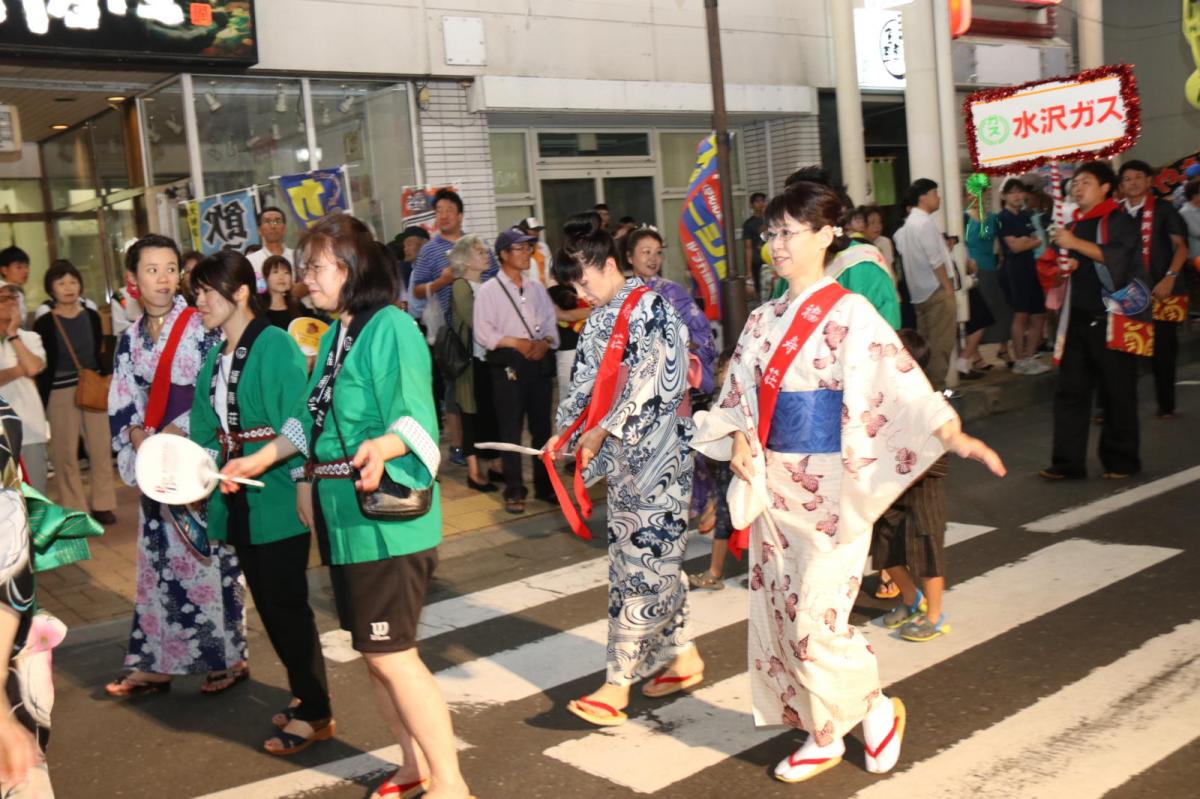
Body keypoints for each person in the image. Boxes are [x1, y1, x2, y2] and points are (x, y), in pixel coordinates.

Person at [691, 180, 1004, 784]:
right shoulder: (761, 319)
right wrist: (734, 440)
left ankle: (876, 708)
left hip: (831, 491)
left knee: (816, 621)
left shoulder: (850, 312)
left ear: (828, 234)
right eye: (771, 233)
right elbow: (735, 399)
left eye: (788, 232)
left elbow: (901, 384)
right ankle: (824, 731)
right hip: (773, 489)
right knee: (782, 616)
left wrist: (951, 432)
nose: (775, 244)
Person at [220, 213, 473, 799]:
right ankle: (414, 765)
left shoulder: (391, 327)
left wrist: (383, 446)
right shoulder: (338, 333)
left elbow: (415, 415)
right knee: (375, 654)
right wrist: (259, 461)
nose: (306, 278)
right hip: (345, 518)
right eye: (306, 267)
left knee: (394, 655)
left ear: (352, 267)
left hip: (385, 521)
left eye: (315, 265)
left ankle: (452, 785)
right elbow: (307, 423)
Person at [545, 215, 705, 728]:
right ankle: (682, 656)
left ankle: (617, 685)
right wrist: (565, 433)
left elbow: (658, 382)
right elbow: (584, 388)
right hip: (626, 459)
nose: (579, 291)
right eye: (571, 284)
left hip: (661, 454)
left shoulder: (654, 307)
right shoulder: (596, 321)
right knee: (644, 560)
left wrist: (605, 431)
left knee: (641, 565)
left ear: (608, 264)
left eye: (583, 279)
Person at [188, 250, 334, 755]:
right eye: (197, 292)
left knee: (288, 604)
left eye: (207, 291)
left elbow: (298, 417)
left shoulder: (274, 344)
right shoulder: (214, 354)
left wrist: (302, 483)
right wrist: (198, 476)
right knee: (271, 605)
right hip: (236, 496)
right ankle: (305, 694)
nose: (199, 301)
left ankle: (316, 712)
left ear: (240, 292)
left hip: (275, 493)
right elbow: (205, 427)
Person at [105, 234, 248, 697]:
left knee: (207, 555)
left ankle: (229, 656)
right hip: (154, 461)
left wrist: (177, 432)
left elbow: (215, 386)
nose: (164, 278)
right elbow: (122, 398)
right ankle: (157, 662)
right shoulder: (127, 341)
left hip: (194, 456)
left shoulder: (200, 325)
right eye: (152, 270)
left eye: (171, 268)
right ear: (133, 280)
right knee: (158, 562)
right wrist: (137, 436)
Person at [1042, 161, 1142, 480]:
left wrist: (1073, 246)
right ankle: (1067, 462)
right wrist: (1060, 270)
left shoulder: (1118, 219)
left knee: (1117, 391)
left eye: (1086, 181)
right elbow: (1051, 270)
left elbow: (1119, 258)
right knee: (1070, 391)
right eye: (1076, 182)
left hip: (1113, 318)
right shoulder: (1071, 225)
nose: (1077, 187)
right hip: (1077, 318)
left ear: (1105, 188)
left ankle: (1121, 460)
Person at [409, 189, 498, 468]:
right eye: (439, 211)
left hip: (484, 327)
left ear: (460, 214)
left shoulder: (476, 244)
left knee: (483, 387)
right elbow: (418, 291)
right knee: (454, 390)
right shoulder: (429, 250)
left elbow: (496, 279)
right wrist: (443, 280)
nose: (443, 215)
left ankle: (484, 445)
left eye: (449, 210)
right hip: (450, 331)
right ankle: (459, 447)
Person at [874, 329, 952, 642]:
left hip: (923, 489)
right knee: (882, 545)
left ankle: (934, 615)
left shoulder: (930, 402)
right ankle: (910, 599)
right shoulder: (881, 399)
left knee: (927, 550)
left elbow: (938, 455)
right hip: (888, 487)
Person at [474, 228, 558, 514]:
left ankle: (546, 486)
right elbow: (483, 332)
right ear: (504, 255)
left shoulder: (536, 288)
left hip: (537, 361)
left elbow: (549, 323)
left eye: (528, 248)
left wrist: (545, 343)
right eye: (519, 249)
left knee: (543, 429)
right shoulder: (489, 291)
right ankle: (514, 490)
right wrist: (517, 343)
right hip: (508, 364)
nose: (526, 254)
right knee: (510, 429)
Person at [32, 260, 117, 524]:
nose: (68, 288)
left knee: (100, 448)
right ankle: (74, 508)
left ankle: (103, 504)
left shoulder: (91, 315)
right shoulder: (45, 322)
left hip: (92, 387)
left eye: (73, 282)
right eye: (61, 283)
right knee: (65, 453)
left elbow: (99, 351)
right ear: (51, 289)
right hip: (59, 392)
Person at [1118, 160, 1190, 419]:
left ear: (1150, 181)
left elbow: (1181, 247)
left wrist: (1170, 277)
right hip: (1129, 293)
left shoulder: (1164, 209)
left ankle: (1166, 405)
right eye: (1127, 178)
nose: (1133, 182)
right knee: (1124, 351)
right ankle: (1117, 407)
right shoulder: (1115, 214)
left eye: (1139, 177)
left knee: (1164, 350)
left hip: (1163, 290)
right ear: (1121, 185)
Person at [894, 179, 958, 389]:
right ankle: (937, 391)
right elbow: (935, 260)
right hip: (936, 291)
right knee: (941, 345)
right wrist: (948, 288)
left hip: (919, 295)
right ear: (923, 197)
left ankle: (925, 391)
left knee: (926, 346)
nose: (937, 197)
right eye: (934, 193)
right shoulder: (924, 223)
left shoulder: (908, 225)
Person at [448, 236, 500, 492]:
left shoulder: (487, 285)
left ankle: (494, 465)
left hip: (486, 359)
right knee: (470, 415)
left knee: (490, 413)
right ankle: (474, 472)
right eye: (480, 252)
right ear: (465, 260)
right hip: (470, 363)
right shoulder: (460, 285)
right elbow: (474, 321)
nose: (486, 254)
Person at [689, 347, 736, 590]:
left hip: (739, 465)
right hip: (725, 468)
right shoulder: (719, 398)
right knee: (724, 518)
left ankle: (715, 572)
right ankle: (715, 571)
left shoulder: (741, 399)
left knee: (726, 518)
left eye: (726, 369)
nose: (721, 374)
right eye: (719, 370)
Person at [996, 179, 1050, 375]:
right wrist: (1028, 242)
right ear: (1004, 196)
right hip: (1015, 270)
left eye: (1020, 192)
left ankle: (1029, 356)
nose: (1017, 196)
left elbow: (1039, 239)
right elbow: (1015, 246)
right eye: (1012, 193)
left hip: (1032, 267)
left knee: (1039, 314)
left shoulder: (1027, 215)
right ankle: (1019, 360)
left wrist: (1027, 241)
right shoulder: (1002, 218)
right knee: (1021, 314)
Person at [0, 284, 47, 492]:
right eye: (3, 299)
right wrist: (20, 370)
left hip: (30, 428)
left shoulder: (30, 338)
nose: (11, 303)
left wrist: (13, 334)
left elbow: (34, 367)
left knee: (35, 496)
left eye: (14, 298)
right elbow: (28, 368)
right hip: (2, 431)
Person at [964, 191, 1014, 369]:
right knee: (979, 312)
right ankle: (976, 356)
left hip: (992, 267)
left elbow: (1000, 242)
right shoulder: (963, 218)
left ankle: (1003, 348)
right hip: (974, 270)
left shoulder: (993, 218)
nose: (975, 198)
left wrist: (1001, 258)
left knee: (1001, 309)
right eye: (971, 195)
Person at [246, 206, 297, 284]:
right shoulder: (250, 261)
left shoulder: (297, 256)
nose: (273, 226)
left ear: (284, 229)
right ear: (260, 231)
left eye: (277, 221)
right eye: (267, 222)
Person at [262, 254, 302, 330]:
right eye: (275, 272)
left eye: (286, 272)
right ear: (266, 277)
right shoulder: (257, 309)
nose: (281, 277)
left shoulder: (298, 307)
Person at [389, 225, 430, 297]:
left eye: (409, 244)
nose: (405, 249)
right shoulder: (413, 271)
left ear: (424, 244)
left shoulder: (429, 270)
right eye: (404, 246)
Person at [517, 216, 555, 286]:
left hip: (546, 289)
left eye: (538, 230)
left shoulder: (544, 247)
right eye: (534, 230)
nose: (537, 233)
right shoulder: (519, 250)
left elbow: (551, 268)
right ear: (523, 232)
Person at [743, 192, 768, 297]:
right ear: (751, 205)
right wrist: (748, 272)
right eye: (757, 201)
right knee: (759, 291)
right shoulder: (748, 224)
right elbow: (748, 248)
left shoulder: (771, 220)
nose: (761, 204)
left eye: (763, 201)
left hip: (771, 260)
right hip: (757, 262)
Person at [0, 247, 30, 326]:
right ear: (4, 270)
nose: (25, 271)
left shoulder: (18, 292)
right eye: (19, 267)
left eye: (26, 266)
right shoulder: (2, 292)